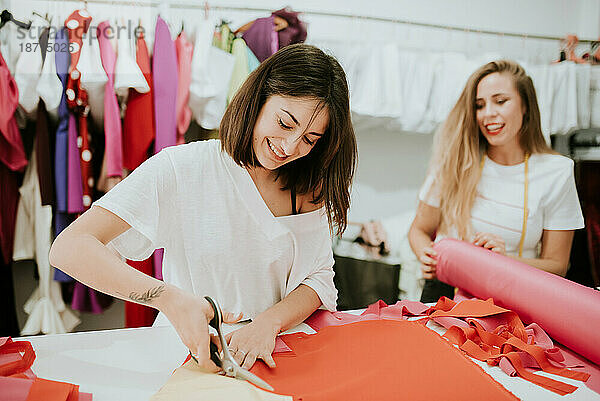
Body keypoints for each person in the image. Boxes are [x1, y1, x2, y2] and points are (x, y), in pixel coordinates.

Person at [49, 44, 357, 371]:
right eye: (284, 123)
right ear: (259, 98)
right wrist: (165, 297)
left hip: (277, 358)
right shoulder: (185, 168)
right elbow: (70, 247)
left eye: (310, 139)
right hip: (192, 359)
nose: (290, 147)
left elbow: (319, 279)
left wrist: (268, 324)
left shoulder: (310, 185)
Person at [406, 59, 584, 303]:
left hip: (512, 301)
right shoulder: (455, 160)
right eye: (479, 105)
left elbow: (558, 266)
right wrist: (425, 256)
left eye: (500, 101)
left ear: (525, 106)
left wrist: (501, 263)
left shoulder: (557, 172)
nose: (488, 113)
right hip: (444, 294)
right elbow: (419, 230)